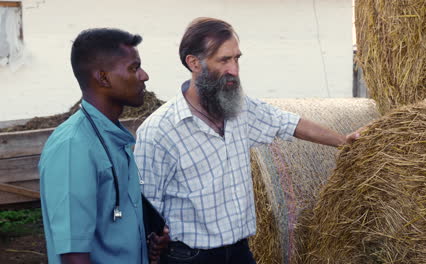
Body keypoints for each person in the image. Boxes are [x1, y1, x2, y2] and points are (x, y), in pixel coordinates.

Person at [134, 17, 360, 264]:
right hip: (189, 257)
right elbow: (144, 204)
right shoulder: (159, 131)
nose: (234, 70)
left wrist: (343, 141)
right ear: (194, 63)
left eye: (237, 58)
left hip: (240, 253)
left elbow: (290, 123)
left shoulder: (241, 109)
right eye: (224, 60)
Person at [39, 28, 168, 264]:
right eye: (133, 67)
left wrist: (145, 244)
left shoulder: (114, 137)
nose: (144, 75)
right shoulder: (73, 146)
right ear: (103, 78)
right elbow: (74, 256)